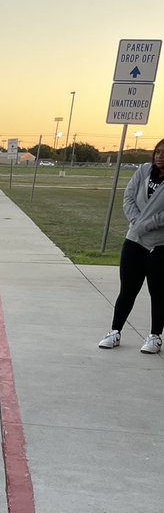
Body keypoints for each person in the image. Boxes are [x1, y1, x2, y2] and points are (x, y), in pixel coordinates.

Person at [98, 137, 164, 353]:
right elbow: (128, 198)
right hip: (134, 240)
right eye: (157, 152)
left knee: (158, 293)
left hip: (159, 244)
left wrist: (145, 225)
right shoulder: (144, 170)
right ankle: (115, 331)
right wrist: (137, 223)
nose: (160, 156)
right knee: (127, 289)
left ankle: (155, 337)